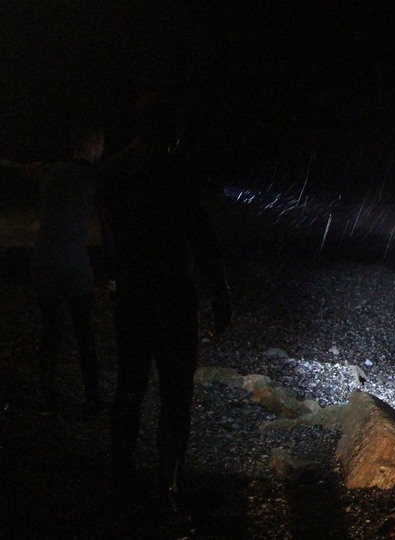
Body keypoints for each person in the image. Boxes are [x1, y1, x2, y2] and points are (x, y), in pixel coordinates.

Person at [99, 91, 232, 511]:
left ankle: (120, 478)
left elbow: (110, 233)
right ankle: (167, 485)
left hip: (134, 292)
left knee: (130, 387)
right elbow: (202, 237)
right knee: (175, 393)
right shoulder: (176, 172)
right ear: (171, 130)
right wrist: (220, 293)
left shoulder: (113, 170)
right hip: (173, 294)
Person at [31, 122, 105, 415]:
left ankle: (47, 393)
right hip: (72, 261)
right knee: (84, 331)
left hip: (43, 259)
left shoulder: (51, 172)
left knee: (51, 330)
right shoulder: (92, 176)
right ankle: (92, 397)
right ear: (95, 146)